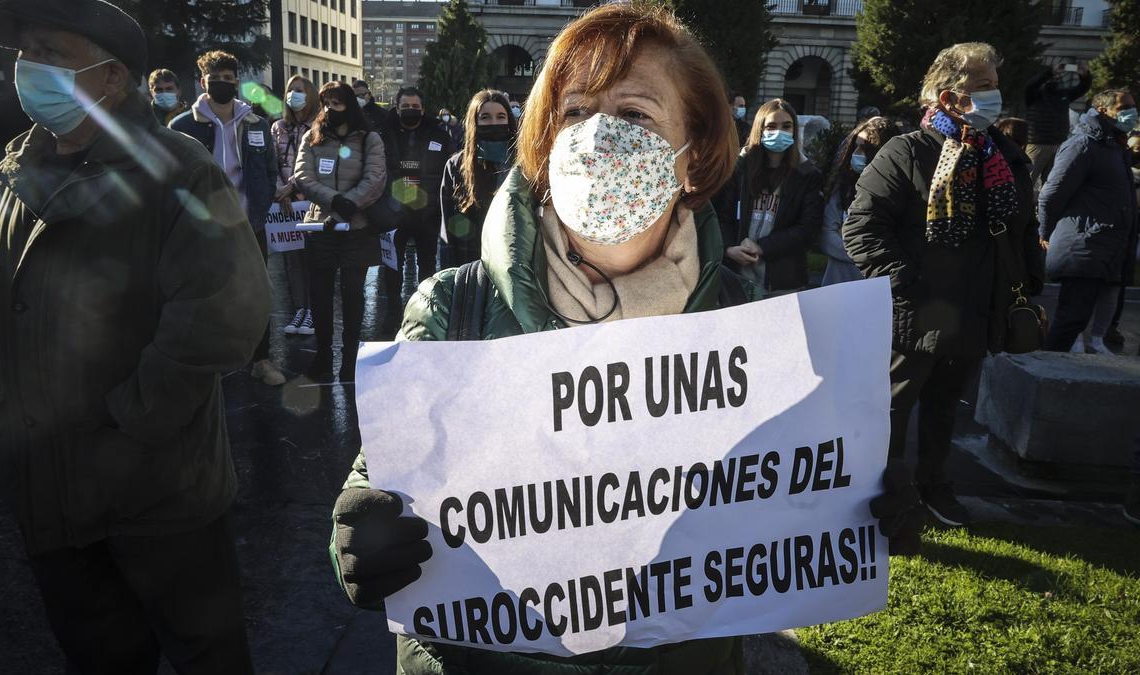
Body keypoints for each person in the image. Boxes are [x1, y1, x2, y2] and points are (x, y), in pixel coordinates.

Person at [328, 6, 923, 673]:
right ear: (546, 139)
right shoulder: (453, 307)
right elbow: (375, 482)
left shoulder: (737, 317)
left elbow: (773, 495)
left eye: (635, 115)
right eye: (575, 111)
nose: (599, 137)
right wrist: (358, 536)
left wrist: (856, 495)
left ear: (693, 152)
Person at [0, 1, 272, 672]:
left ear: (112, 78)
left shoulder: (177, 169)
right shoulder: (6, 179)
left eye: (53, 53)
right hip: (46, 490)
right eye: (26, 52)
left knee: (206, 654)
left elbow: (226, 311)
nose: (30, 67)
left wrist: (127, 424)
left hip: (160, 492)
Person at [844, 42, 1043, 527]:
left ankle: (935, 485)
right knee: (894, 408)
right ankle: (885, 493)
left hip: (979, 307)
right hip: (919, 309)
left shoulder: (1004, 156)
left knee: (946, 407)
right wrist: (906, 284)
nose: (994, 97)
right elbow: (862, 229)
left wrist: (1027, 285)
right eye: (982, 88)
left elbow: (1020, 229)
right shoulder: (907, 151)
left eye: (995, 86)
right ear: (949, 96)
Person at [171, 50, 283, 386]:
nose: (222, 84)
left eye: (228, 79)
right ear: (203, 82)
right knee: (205, 293)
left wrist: (260, 208)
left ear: (237, 82)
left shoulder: (256, 124)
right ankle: (210, 364)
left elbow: (269, 169)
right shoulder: (183, 126)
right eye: (215, 79)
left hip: (250, 224)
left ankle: (261, 359)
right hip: (202, 228)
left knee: (256, 293)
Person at [292, 82, 387, 383]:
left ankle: (349, 360)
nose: (331, 108)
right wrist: (333, 202)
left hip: (356, 228)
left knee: (352, 296)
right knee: (320, 297)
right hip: (320, 226)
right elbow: (302, 175)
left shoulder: (369, 138)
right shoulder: (312, 137)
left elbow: (375, 178)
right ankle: (322, 357)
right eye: (326, 102)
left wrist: (348, 205)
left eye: (337, 102)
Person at [1039, 89, 1138, 354]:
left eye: (1133, 106)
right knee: (1071, 320)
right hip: (1084, 246)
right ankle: (1047, 378)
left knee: (1082, 318)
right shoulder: (1083, 144)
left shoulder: (1113, 144)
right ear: (1104, 110)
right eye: (1124, 106)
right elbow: (1051, 193)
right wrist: (1044, 231)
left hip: (1106, 247)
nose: (1132, 112)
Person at [711, 99, 824, 301]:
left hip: (783, 281)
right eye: (771, 126)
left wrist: (763, 246)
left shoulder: (807, 175)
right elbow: (721, 215)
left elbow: (809, 228)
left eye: (786, 126)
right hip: (737, 276)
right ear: (759, 129)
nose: (779, 132)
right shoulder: (739, 169)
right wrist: (728, 248)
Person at [382, 86, 455, 315]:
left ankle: (426, 312)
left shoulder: (440, 136)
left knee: (427, 266)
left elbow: (447, 170)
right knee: (393, 265)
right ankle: (393, 311)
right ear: (397, 108)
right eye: (405, 106)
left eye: (415, 107)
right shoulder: (384, 134)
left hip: (427, 211)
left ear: (423, 109)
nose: (410, 110)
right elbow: (381, 170)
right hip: (394, 212)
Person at [438, 89, 516, 268]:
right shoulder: (456, 165)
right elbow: (448, 227)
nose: (494, 122)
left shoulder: (523, 161)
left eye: (501, 116)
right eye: (486, 117)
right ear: (475, 121)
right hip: (471, 263)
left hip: (514, 262)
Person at [821, 117, 899, 285]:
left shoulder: (897, 195)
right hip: (838, 286)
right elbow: (827, 236)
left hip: (876, 287)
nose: (856, 153)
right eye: (855, 146)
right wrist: (864, 254)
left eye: (864, 148)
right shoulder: (843, 189)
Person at [272, 73, 321, 336]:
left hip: (311, 203)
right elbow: (271, 161)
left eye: (300, 90)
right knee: (292, 262)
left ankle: (314, 310)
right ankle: (300, 310)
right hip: (284, 205)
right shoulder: (278, 127)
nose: (294, 95)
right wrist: (280, 192)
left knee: (311, 260)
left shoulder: (320, 127)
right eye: (291, 90)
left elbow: (316, 165)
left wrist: (292, 186)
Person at [1025, 62, 1091, 192]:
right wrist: (1051, 71)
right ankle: (1024, 208)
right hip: (1038, 144)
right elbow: (1031, 85)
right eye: (1051, 78)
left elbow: (1083, 88)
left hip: (1059, 145)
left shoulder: (1063, 95)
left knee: (1052, 184)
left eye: (1057, 78)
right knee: (1028, 181)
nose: (1054, 80)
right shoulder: (1034, 95)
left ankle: (1043, 210)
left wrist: (1085, 75)